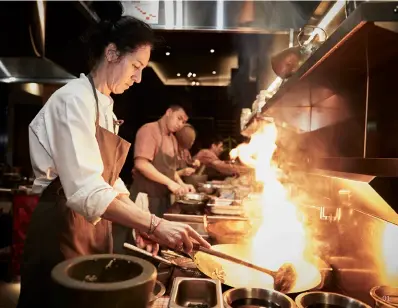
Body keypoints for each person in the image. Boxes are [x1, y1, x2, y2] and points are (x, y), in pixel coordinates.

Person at [17, 4, 209, 308]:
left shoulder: (104, 106)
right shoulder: (74, 99)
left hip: (92, 228)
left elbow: (109, 179)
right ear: (111, 53)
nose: (139, 78)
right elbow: (86, 190)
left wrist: (138, 221)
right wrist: (154, 225)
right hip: (61, 228)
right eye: (136, 66)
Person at [129, 105, 195, 218]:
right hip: (145, 197)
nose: (180, 124)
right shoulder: (149, 130)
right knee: (139, 234)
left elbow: (170, 170)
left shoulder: (173, 139)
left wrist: (182, 184)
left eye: (183, 122)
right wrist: (170, 183)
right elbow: (141, 164)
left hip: (163, 199)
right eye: (179, 118)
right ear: (169, 112)